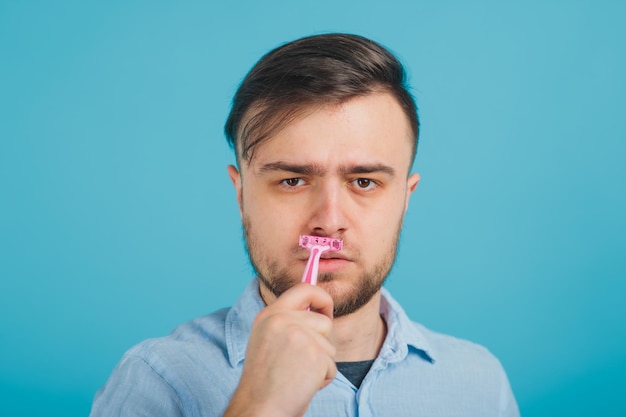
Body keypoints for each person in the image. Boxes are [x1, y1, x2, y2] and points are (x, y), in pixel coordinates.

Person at [90, 33, 519, 417]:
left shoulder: (480, 383)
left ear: (406, 198)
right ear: (240, 195)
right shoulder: (159, 381)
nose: (328, 222)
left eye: (365, 182)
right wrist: (260, 405)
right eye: (292, 180)